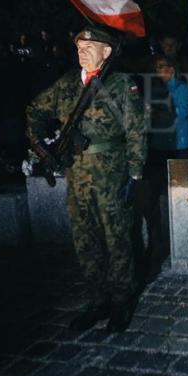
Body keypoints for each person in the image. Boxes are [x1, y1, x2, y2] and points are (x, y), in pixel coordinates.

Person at [26, 26, 146, 332]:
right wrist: (40, 146)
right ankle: (97, 299)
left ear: (107, 52)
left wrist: (134, 171)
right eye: (79, 47)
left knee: (116, 236)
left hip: (111, 172)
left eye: (89, 48)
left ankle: (122, 300)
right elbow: (34, 111)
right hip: (77, 173)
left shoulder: (121, 84)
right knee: (85, 238)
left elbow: (135, 131)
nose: (82, 52)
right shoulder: (66, 83)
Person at [140, 54, 188, 278]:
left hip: (178, 142)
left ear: (172, 69)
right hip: (159, 144)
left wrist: (158, 113)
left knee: (177, 191)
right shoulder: (153, 88)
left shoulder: (180, 87)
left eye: (164, 67)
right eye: (157, 67)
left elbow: (181, 112)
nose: (160, 71)